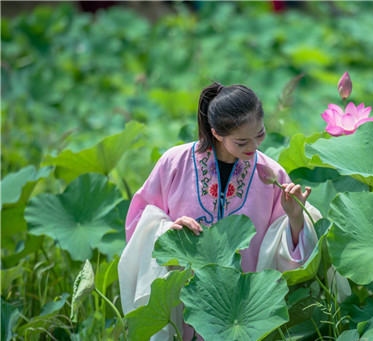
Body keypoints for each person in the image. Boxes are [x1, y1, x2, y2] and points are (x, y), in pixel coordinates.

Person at [118, 82, 321, 340]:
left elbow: (291, 263)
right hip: (188, 308)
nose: (253, 147)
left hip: (246, 316)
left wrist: (295, 217)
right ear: (216, 133)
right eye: (241, 141)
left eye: (259, 134)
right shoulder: (174, 163)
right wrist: (167, 230)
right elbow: (137, 224)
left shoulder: (271, 174)